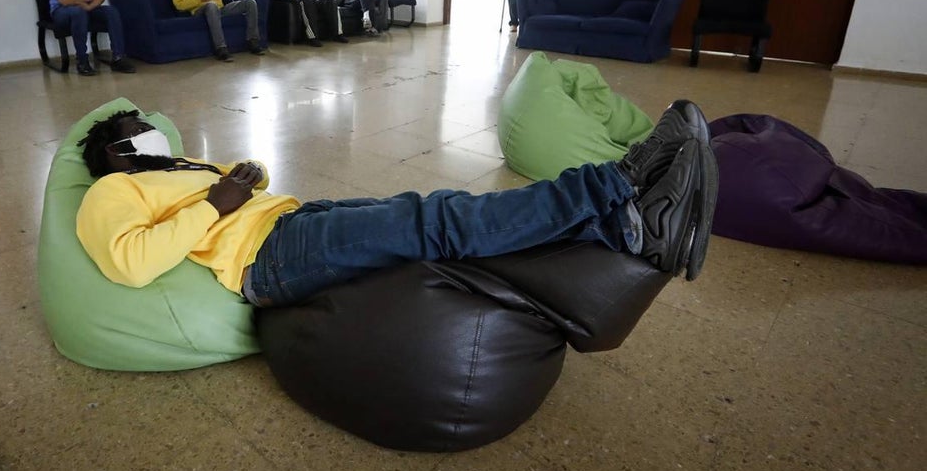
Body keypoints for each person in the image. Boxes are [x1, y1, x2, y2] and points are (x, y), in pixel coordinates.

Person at [75, 100, 718, 308]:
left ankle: (625, 229)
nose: (151, 129)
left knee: (429, 208)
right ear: (116, 153)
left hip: (291, 219)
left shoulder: (175, 165)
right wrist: (215, 203)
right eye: (136, 129)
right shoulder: (110, 191)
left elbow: (238, 191)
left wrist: (244, 179)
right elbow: (131, 263)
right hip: (265, 260)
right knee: (440, 221)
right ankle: (617, 182)